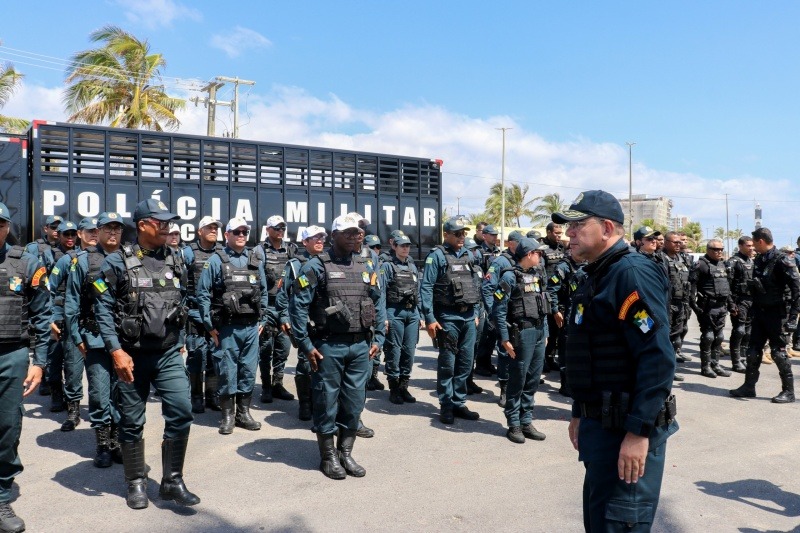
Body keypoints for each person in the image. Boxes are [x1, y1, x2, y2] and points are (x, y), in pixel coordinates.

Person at [554, 190, 677, 532]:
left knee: (620, 523)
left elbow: (657, 357)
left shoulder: (631, 274)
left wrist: (638, 433)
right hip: (601, 429)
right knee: (599, 521)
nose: (569, 233)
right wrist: (580, 410)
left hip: (626, 430)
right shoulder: (598, 274)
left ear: (607, 228)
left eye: (578, 225)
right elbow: (590, 352)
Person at [94, 199, 199, 510]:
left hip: (167, 353)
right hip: (132, 356)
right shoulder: (116, 263)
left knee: (181, 411)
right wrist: (115, 350)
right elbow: (103, 309)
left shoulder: (177, 258)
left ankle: (172, 481)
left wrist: (182, 339)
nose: (167, 227)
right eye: (160, 222)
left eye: (168, 222)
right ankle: (136, 481)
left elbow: (184, 301)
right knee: (131, 421)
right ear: (142, 225)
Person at [289, 213, 385, 479]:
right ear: (334, 236)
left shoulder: (366, 265)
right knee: (327, 402)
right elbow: (297, 308)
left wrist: (378, 339)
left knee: (354, 404)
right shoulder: (316, 266)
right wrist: (306, 344)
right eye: (349, 233)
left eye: (359, 232)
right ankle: (328, 456)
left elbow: (379, 301)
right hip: (328, 347)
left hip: (360, 347)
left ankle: (345, 452)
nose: (356, 236)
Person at [0, 202, 51, 533]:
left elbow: (43, 316)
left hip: (12, 355)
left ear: (7, 227)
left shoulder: (26, 263)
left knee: (7, 426)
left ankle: (1, 493)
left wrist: (40, 361)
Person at [198, 217, 270, 434]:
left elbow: (264, 292)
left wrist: (263, 320)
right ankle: (227, 415)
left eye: (244, 232)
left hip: (250, 326)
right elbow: (203, 294)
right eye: (236, 232)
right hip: (227, 327)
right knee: (228, 371)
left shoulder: (255, 260)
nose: (241, 236)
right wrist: (210, 326)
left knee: (248, 370)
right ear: (226, 235)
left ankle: (243, 413)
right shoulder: (215, 260)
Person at [64, 212, 125, 467]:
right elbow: (71, 302)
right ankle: (102, 443)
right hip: (96, 337)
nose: (113, 234)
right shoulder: (82, 260)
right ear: (97, 231)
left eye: (117, 229)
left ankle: (117, 440)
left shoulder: (130, 257)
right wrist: (77, 336)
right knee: (100, 393)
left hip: (124, 339)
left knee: (122, 392)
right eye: (107, 229)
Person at [420, 216, 482, 424]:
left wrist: (475, 313)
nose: (462, 237)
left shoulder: (468, 255)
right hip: (447, 316)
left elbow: (475, 285)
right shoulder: (437, 256)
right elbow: (426, 287)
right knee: (448, 362)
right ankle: (446, 404)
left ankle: (459, 402)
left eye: (464, 233)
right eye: (457, 233)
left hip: (467, 316)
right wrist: (429, 318)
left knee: (465, 362)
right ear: (446, 234)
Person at [730, 227, 800, 403]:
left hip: (777, 314)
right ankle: (749, 386)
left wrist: (793, 318)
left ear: (760, 241)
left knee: (779, 353)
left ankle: (788, 391)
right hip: (760, 311)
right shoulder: (760, 259)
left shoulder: (783, 260)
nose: (752, 247)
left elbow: (797, 289)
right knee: (753, 351)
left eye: (754, 243)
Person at [493, 238, 550, 443]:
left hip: (537, 333)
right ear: (528, 254)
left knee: (533, 379)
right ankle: (514, 423)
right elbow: (498, 311)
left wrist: (545, 333)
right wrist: (504, 339)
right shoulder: (509, 277)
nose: (541, 256)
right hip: (521, 334)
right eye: (538, 253)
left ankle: (526, 420)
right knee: (518, 379)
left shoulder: (537, 275)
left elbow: (543, 306)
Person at [50, 217, 100, 432]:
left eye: (96, 231)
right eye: (89, 232)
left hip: (99, 325)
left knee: (100, 374)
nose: (93, 235)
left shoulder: (108, 258)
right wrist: (52, 318)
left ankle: (101, 411)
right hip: (74, 322)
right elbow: (48, 289)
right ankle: (73, 412)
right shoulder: (68, 260)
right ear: (80, 234)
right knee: (72, 369)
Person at [275, 225, 327, 421]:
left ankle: (320, 402)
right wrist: (284, 317)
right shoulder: (295, 265)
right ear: (305, 242)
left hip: (323, 322)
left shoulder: (327, 263)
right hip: (304, 322)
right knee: (305, 363)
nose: (320, 240)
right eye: (315, 238)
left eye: (322, 237)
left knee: (324, 363)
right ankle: (305, 403)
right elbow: (283, 294)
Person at [182, 216, 224, 413]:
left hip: (215, 314)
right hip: (195, 313)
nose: (213, 230)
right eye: (209, 227)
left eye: (216, 227)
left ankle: (212, 395)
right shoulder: (189, 253)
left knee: (215, 355)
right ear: (200, 231)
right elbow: (180, 284)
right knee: (197, 356)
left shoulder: (222, 254)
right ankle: (196, 397)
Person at [256, 215, 297, 404]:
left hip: (285, 307)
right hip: (268, 306)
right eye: (276, 228)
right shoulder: (260, 251)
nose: (280, 231)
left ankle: (277, 384)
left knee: (283, 348)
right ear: (268, 229)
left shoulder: (291, 250)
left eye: (282, 228)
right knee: (265, 349)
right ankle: (265, 387)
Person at [43, 220, 79, 412]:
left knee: (73, 360)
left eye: (73, 234)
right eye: (67, 234)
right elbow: (47, 289)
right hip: (57, 311)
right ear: (60, 235)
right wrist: (49, 318)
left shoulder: (81, 256)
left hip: (75, 312)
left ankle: (73, 397)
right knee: (55, 356)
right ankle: (56, 393)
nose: (70, 238)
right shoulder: (49, 254)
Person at [380, 233, 420, 405]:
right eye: (402, 245)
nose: (405, 248)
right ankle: (394, 388)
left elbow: (418, 291)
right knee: (394, 350)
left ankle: (404, 386)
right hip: (394, 312)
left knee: (409, 351)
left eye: (408, 245)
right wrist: (383, 317)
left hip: (412, 313)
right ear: (394, 246)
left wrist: (422, 315)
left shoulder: (412, 267)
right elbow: (380, 293)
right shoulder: (387, 266)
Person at [690, 240, 734, 378]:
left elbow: (726, 287)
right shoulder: (701, 264)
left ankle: (715, 364)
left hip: (722, 306)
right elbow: (691, 288)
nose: (719, 252)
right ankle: (706, 366)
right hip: (707, 307)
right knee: (708, 336)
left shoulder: (722, 264)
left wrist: (731, 304)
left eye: (721, 249)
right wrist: (695, 307)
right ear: (708, 249)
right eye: (715, 249)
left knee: (719, 337)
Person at [546, 248, 586, 397]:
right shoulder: (563, 267)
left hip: (581, 310)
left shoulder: (586, 264)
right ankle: (565, 384)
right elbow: (552, 290)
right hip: (567, 312)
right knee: (566, 348)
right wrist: (555, 310)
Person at [662, 231, 690, 381]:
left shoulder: (681, 259)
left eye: (679, 242)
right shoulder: (661, 259)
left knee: (676, 338)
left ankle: (671, 369)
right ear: (666, 242)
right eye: (675, 242)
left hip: (681, 304)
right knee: (665, 338)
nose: (678, 245)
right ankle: (664, 370)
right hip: (667, 304)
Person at [541, 222, 566, 373]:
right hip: (545, 293)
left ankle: (550, 358)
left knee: (556, 330)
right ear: (548, 232)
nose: (558, 236)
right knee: (546, 330)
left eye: (560, 233)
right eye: (556, 233)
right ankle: (542, 360)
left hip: (560, 293)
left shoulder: (562, 247)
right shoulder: (542, 249)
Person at [727, 237, 755, 373]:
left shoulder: (751, 261)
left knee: (748, 332)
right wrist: (731, 304)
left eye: (752, 246)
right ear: (740, 246)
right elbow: (727, 285)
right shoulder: (733, 262)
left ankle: (743, 358)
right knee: (739, 331)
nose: (751, 248)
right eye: (748, 246)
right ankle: (736, 361)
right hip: (739, 300)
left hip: (751, 300)